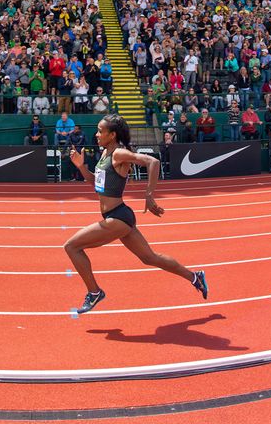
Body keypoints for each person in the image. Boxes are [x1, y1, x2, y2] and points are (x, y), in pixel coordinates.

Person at [63, 115, 208, 314]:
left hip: (118, 217)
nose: (96, 134)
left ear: (112, 135)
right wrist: (81, 166)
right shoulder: (105, 153)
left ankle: (94, 292)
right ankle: (195, 277)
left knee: (72, 246)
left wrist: (149, 195)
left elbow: (153, 161)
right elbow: (97, 184)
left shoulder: (119, 153)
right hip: (118, 216)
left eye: (100, 131)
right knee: (150, 258)